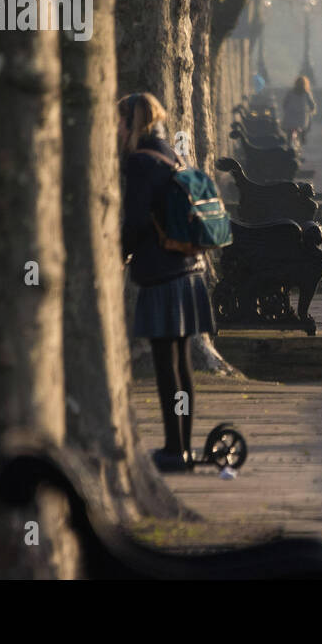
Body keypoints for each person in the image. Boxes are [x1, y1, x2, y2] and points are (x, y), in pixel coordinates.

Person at [118, 92, 216, 473]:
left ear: (133, 122)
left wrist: (120, 253)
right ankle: (183, 446)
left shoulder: (141, 161)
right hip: (188, 269)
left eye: (121, 121)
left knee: (165, 367)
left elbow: (138, 220)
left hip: (160, 274)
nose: (117, 127)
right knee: (182, 365)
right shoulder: (172, 154)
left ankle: (174, 450)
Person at [282, 75, 316, 151]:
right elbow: (312, 105)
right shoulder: (306, 93)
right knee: (305, 126)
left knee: (289, 134)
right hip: (301, 119)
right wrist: (311, 110)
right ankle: (303, 137)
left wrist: (286, 110)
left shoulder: (290, 92)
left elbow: (284, 103)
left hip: (290, 118)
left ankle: (288, 146)